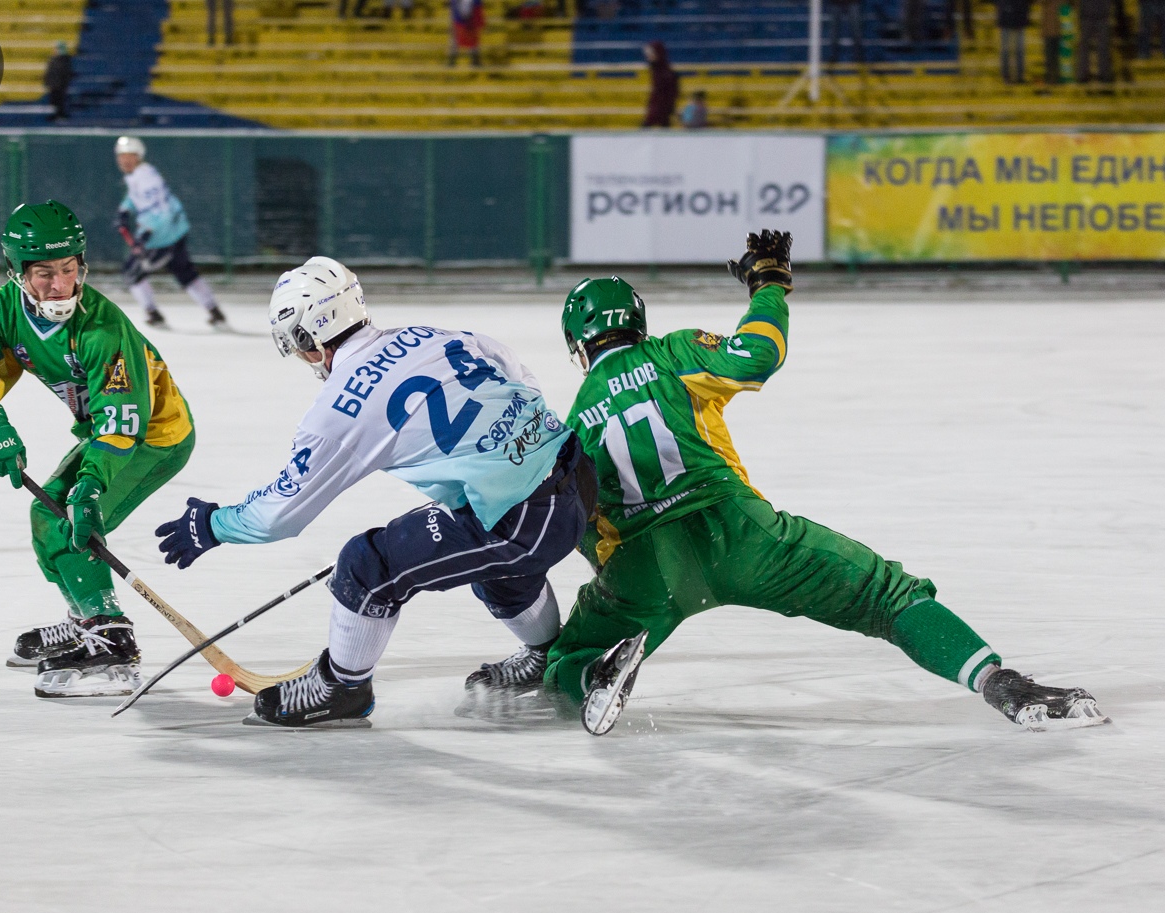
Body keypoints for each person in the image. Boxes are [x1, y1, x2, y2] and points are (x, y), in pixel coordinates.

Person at [533, 230, 1108, 736]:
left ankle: (593, 674)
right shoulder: (674, 353)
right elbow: (758, 355)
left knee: (563, 660)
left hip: (644, 564)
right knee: (888, 596)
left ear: (577, 344)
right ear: (637, 322)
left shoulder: (574, 421)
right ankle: (1004, 685)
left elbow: (579, 524)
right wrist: (768, 286)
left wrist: (614, 595)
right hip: (739, 532)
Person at [153, 257, 596, 728]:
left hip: (525, 521)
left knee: (367, 565)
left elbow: (277, 515)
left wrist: (211, 525)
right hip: (577, 473)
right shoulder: (430, 335)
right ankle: (548, 653)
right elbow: (519, 376)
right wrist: (487, 471)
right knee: (495, 568)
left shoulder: (340, 408)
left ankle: (342, 689)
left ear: (309, 339)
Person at [0, 200, 196, 698]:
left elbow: (122, 424)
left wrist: (91, 488)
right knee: (46, 516)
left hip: (152, 438)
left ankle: (111, 638)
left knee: (65, 521)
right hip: (105, 434)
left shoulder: (103, 329)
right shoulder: (0, 311)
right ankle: (84, 619)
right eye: (44, 274)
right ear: (16, 273)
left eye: (69, 270)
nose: (60, 287)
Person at [113, 136, 229, 330]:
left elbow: (160, 211)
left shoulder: (146, 178)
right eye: (121, 156)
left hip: (162, 238)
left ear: (138, 156)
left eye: (129, 155)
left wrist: (145, 235)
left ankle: (153, 314)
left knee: (132, 273)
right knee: (186, 274)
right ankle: (215, 312)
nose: (124, 160)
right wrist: (124, 210)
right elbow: (137, 198)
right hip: (173, 232)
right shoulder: (142, 174)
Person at [641, 40, 678, 128]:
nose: (648, 56)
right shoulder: (656, 70)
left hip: (660, 110)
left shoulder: (665, 73)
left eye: (651, 53)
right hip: (658, 109)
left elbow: (669, 94)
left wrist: (656, 111)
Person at [1076, 0, 1114, 82]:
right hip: (1087, 14)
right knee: (1084, 46)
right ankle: (1083, 75)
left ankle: (1104, 75)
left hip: (1101, 14)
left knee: (1103, 46)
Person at [997, 0, 1033, 83]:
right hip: (1008, 18)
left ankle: (1016, 76)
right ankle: (1007, 76)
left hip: (1016, 18)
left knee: (1018, 50)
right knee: (1007, 50)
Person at [826, 0, 867, 67]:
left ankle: (859, 59)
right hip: (836, 4)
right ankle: (832, 58)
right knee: (834, 34)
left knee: (856, 32)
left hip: (853, 3)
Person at [449, 0, 486, 67]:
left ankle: (475, 60)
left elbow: (477, 9)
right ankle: (452, 61)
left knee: (472, 40)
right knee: (457, 39)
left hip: (468, 20)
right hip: (461, 20)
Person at [43, 41, 72, 121]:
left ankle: (60, 114)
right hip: (54, 84)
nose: (54, 50)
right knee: (54, 101)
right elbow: (49, 72)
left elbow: (65, 73)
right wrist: (47, 81)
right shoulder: (53, 60)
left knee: (60, 101)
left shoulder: (64, 60)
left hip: (60, 85)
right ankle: (55, 114)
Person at [1042, 0, 1063, 82]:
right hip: (1049, 30)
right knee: (1050, 57)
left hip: (1059, 30)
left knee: (1057, 57)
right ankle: (1050, 78)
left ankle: (1055, 77)